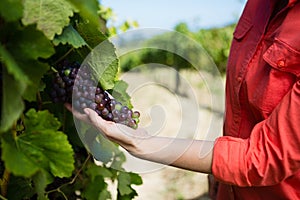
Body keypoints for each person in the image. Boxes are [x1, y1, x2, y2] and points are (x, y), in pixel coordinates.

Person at [66, 0, 300, 199]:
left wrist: (144, 143)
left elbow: (266, 155)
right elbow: (241, 100)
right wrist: (217, 175)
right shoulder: (259, 4)